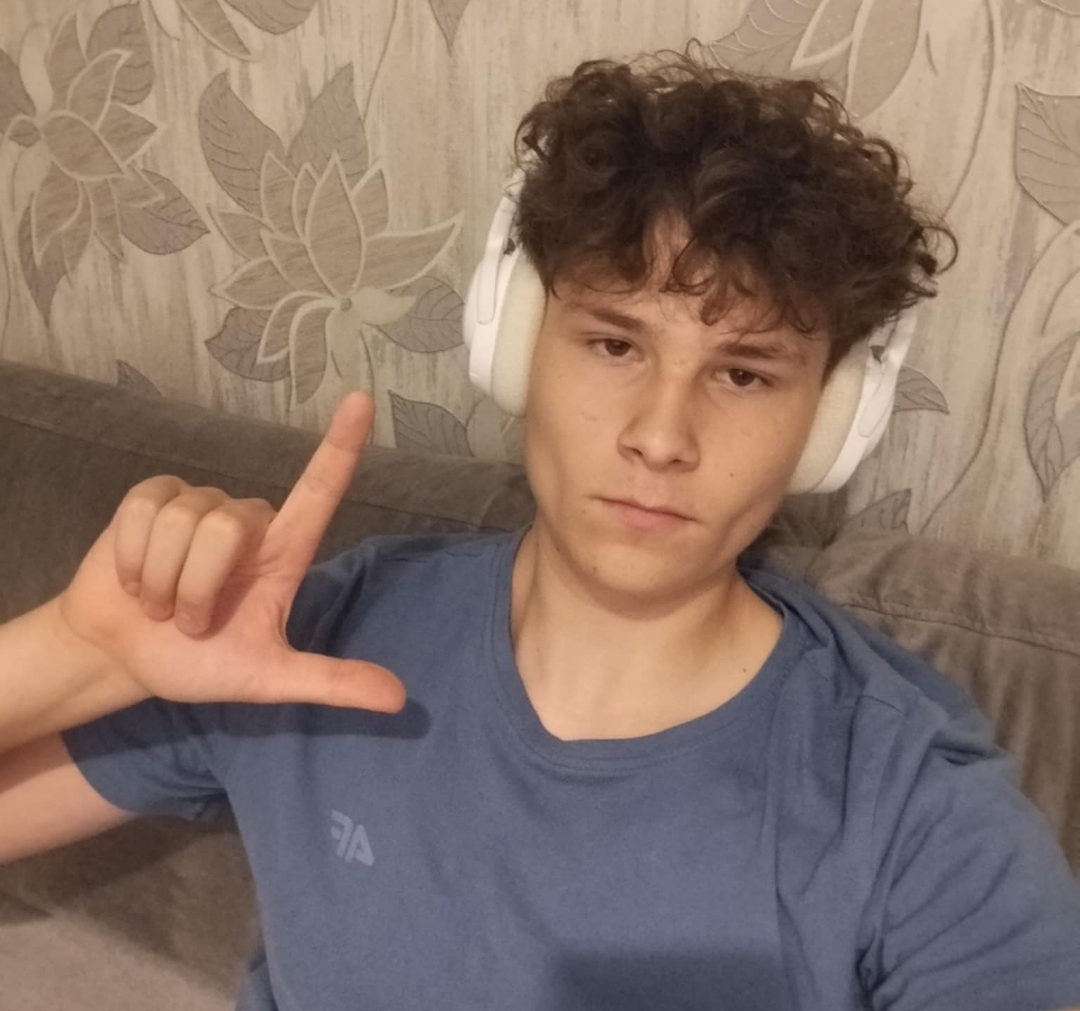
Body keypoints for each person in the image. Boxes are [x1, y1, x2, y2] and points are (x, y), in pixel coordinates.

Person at [1, 49, 1079, 1011]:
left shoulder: (907, 806)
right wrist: (80, 650)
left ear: (829, 428)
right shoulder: (306, 637)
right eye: (614, 345)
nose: (662, 436)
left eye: (744, 373)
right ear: (516, 346)